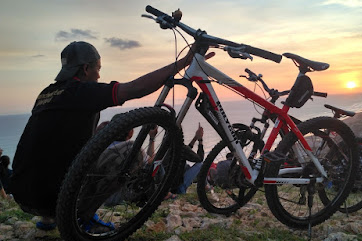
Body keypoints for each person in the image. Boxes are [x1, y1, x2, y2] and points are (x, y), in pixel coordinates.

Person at [10, 41, 213, 230]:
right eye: (98, 69)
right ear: (86, 69)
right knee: (130, 153)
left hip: (23, 195)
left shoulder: (47, 94)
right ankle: (82, 217)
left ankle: (49, 219)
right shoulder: (80, 92)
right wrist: (184, 62)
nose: (99, 76)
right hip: (52, 197)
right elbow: (134, 89)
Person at [174, 123, 205, 195]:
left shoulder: (168, 146)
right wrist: (200, 140)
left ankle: (206, 186)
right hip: (178, 187)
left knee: (186, 165)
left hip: (167, 187)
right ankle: (205, 186)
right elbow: (200, 159)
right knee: (200, 165)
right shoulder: (181, 148)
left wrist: (195, 138)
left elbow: (187, 151)